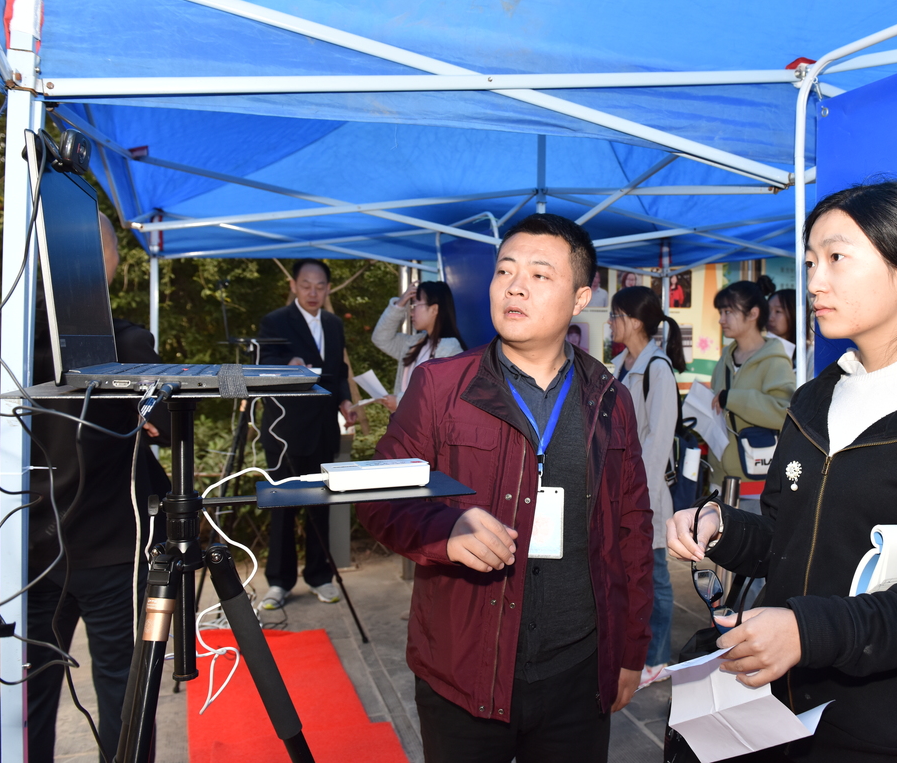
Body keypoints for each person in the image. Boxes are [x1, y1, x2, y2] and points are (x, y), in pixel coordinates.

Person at [666, 180, 897, 762]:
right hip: (779, 716)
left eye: (837, 258)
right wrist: (723, 529)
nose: (814, 281)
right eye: (811, 261)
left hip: (890, 732)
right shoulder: (814, 401)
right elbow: (789, 542)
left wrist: (807, 632)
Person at [357, 213, 653, 763]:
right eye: (505, 271)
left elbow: (632, 532)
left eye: (540, 275)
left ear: (581, 298)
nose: (515, 285)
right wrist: (445, 531)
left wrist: (630, 652)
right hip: (465, 671)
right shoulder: (440, 385)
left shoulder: (610, 397)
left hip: (578, 673)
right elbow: (379, 495)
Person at [0, 214, 171, 763]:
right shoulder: (126, 341)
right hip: (109, 544)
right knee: (123, 690)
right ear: (103, 262)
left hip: (30, 539)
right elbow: (173, 426)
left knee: (27, 691)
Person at [257, 259, 356, 610]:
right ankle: (278, 583)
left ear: (328, 288)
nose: (313, 292)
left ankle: (320, 576)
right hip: (284, 428)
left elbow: (338, 372)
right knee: (282, 506)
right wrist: (287, 366)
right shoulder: (275, 321)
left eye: (319, 286)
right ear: (294, 287)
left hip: (324, 426)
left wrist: (345, 401)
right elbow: (263, 361)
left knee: (320, 504)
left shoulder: (332, 323)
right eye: (306, 285)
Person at [608, 286, 685, 688]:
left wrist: (646, 501)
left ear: (635, 321)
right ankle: (638, 651)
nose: (610, 323)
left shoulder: (658, 369)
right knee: (632, 574)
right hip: (623, 490)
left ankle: (656, 660)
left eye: (616, 315)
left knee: (654, 576)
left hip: (647, 494)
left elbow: (657, 444)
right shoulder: (621, 364)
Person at [709, 280, 795, 484]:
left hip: (758, 482)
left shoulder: (775, 360)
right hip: (720, 479)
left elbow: (786, 413)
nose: (721, 319)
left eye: (728, 312)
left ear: (753, 314)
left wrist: (732, 399)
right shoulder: (725, 358)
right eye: (720, 312)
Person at [371, 280, 467, 412]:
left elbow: (439, 394)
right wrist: (399, 304)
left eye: (415, 305)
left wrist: (399, 402)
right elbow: (380, 338)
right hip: (407, 428)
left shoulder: (450, 348)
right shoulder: (413, 343)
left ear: (434, 309)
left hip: (428, 431)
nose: (411, 313)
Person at [768, 289, 814, 377]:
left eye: (778, 311)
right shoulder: (760, 349)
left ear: (795, 313)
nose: (770, 318)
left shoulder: (811, 356)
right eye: (768, 310)